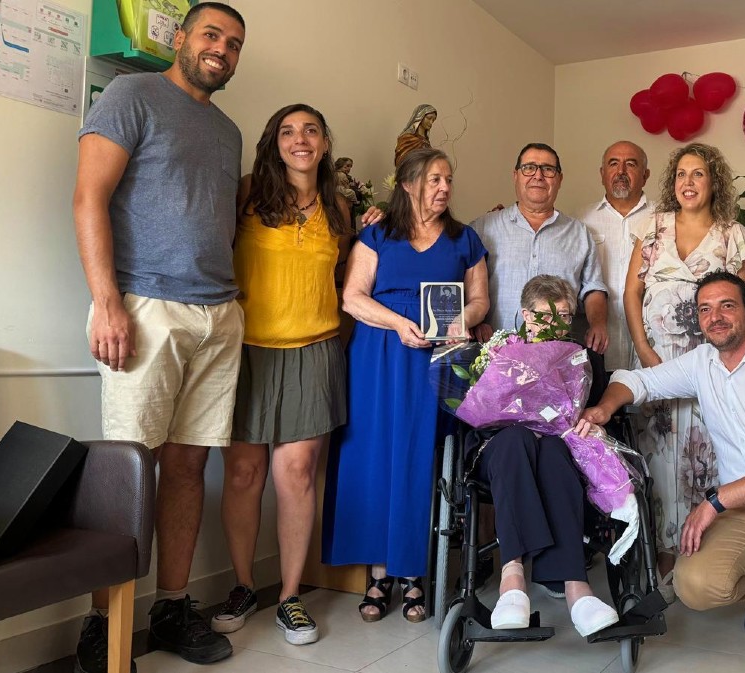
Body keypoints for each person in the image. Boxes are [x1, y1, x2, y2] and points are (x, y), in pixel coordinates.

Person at [71, 3, 245, 670]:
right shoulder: (131, 95)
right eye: (211, 35)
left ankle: (170, 608)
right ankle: (101, 625)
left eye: (233, 43)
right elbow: (89, 197)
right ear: (180, 38)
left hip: (218, 315)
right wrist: (107, 303)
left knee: (188, 468)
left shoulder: (228, 130)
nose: (221, 49)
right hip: (145, 307)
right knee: (127, 472)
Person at [577, 272, 745, 673]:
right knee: (695, 585)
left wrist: (714, 502)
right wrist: (604, 409)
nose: (715, 317)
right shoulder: (702, 363)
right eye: (705, 309)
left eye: (727, 305)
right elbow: (637, 381)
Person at [324, 147, 489, 624]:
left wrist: (457, 321)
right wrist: (398, 323)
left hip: (436, 358)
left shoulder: (464, 238)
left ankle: (413, 571)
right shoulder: (378, 234)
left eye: (448, 179)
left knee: (419, 459)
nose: (444, 187)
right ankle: (378, 574)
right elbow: (353, 298)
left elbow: (480, 300)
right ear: (409, 184)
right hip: (379, 356)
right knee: (374, 457)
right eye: (435, 179)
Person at [209, 104, 352, 645]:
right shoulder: (248, 192)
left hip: (314, 351)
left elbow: (344, 279)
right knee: (244, 474)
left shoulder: (339, 207)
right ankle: (244, 585)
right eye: (288, 131)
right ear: (274, 143)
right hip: (245, 349)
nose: (300, 139)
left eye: (311, 130)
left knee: (296, 473)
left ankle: (290, 595)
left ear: (324, 142)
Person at [624, 142, 745, 599]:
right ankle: (662, 557)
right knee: (657, 461)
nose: (688, 182)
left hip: (711, 367)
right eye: (681, 173)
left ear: (714, 182)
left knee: (706, 459)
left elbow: (744, 306)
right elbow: (631, 295)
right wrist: (644, 352)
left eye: (698, 173)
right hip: (657, 362)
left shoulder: (733, 236)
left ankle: (702, 555)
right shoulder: (652, 227)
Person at [472, 275, 620, 637]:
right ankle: (512, 577)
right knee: (516, 439)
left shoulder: (583, 359)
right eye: (546, 315)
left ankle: (576, 588)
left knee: (554, 450)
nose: (556, 323)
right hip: (503, 452)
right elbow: (479, 413)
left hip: (558, 450)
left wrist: (588, 419)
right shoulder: (501, 353)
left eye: (565, 315)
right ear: (526, 315)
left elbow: (595, 412)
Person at [470, 143, 608, 354]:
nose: (538, 175)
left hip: (557, 357)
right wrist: (475, 322)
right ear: (515, 175)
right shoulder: (483, 228)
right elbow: (467, 285)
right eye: (529, 168)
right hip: (495, 353)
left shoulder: (579, 233)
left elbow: (593, 287)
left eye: (548, 169)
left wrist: (598, 324)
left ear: (559, 179)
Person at [577, 141, 654, 372]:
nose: (621, 171)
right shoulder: (580, 220)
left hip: (651, 348)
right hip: (595, 346)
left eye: (631, 164)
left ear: (645, 175)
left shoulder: (664, 218)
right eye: (613, 164)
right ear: (602, 174)